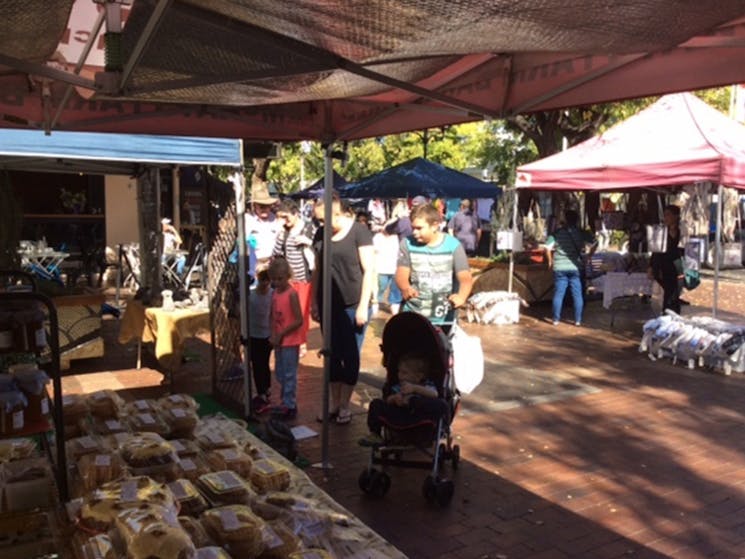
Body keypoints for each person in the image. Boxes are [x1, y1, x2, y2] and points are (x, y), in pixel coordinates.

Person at [311, 197, 375, 425]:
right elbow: (317, 270)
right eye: (318, 220)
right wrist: (314, 301)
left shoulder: (359, 232)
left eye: (323, 219)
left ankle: (345, 404)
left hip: (352, 304)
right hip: (327, 303)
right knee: (331, 353)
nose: (320, 224)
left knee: (350, 354)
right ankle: (334, 403)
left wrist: (362, 306)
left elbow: (369, 270)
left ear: (337, 214)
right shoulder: (320, 234)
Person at [395, 203, 474, 328]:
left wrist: (461, 297)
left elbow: (465, 279)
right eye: (413, 228)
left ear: (434, 226)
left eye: (419, 228)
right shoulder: (407, 244)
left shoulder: (453, 245)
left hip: (444, 319)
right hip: (412, 315)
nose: (414, 232)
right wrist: (405, 288)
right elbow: (401, 274)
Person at [360, 351, 448, 446]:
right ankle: (375, 434)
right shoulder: (399, 386)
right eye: (399, 371)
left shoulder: (426, 385)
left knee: (441, 404)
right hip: (398, 416)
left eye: (404, 373)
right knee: (376, 403)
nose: (399, 375)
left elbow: (434, 394)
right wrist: (394, 398)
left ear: (418, 376)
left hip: (419, 417)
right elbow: (388, 400)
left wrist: (415, 389)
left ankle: (412, 401)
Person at [273, 199, 315, 355]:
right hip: (288, 279)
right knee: (288, 312)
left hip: (303, 278)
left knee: (302, 311)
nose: (284, 221)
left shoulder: (308, 228)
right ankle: (292, 340)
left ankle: (301, 342)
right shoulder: (283, 232)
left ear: (295, 214)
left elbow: (318, 247)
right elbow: (276, 253)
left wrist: (307, 241)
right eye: (281, 218)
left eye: (286, 217)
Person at [544, 209, 595, 326]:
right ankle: (577, 320)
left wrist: (550, 262)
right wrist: (589, 256)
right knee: (577, 294)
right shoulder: (581, 233)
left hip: (559, 267)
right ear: (577, 220)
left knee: (558, 294)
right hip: (576, 267)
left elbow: (547, 248)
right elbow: (595, 243)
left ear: (565, 220)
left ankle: (556, 319)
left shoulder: (556, 233)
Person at [268, 258, 304, 420]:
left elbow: (298, 319)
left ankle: (289, 403)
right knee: (280, 372)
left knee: (289, 373)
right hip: (279, 339)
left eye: (280, 278)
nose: (276, 282)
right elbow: (272, 315)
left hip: (289, 340)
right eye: (274, 279)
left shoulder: (292, 294)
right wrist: (272, 333)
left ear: (287, 276)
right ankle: (286, 400)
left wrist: (282, 333)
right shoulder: (275, 293)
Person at [648, 204, 684, 314]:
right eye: (665, 215)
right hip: (663, 265)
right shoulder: (661, 231)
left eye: (668, 215)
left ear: (676, 216)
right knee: (669, 291)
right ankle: (667, 313)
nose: (666, 218)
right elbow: (656, 251)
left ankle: (673, 313)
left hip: (677, 264)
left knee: (675, 291)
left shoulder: (682, 231)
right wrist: (651, 267)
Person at [246, 191, 281, 271]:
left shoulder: (275, 219)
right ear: (255, 206)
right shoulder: (248, 220)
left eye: (267, 206)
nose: (264, 209)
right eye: (261, 206)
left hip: (272, 264)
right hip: (254, 265)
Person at [372, 227, 402, 316]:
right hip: (381, 268)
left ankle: (394, 311)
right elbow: (374, 252)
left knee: (395, 291)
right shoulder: (377, 237)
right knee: (380, 288)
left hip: (394, 268)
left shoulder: (397, 238)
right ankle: (375, 304)